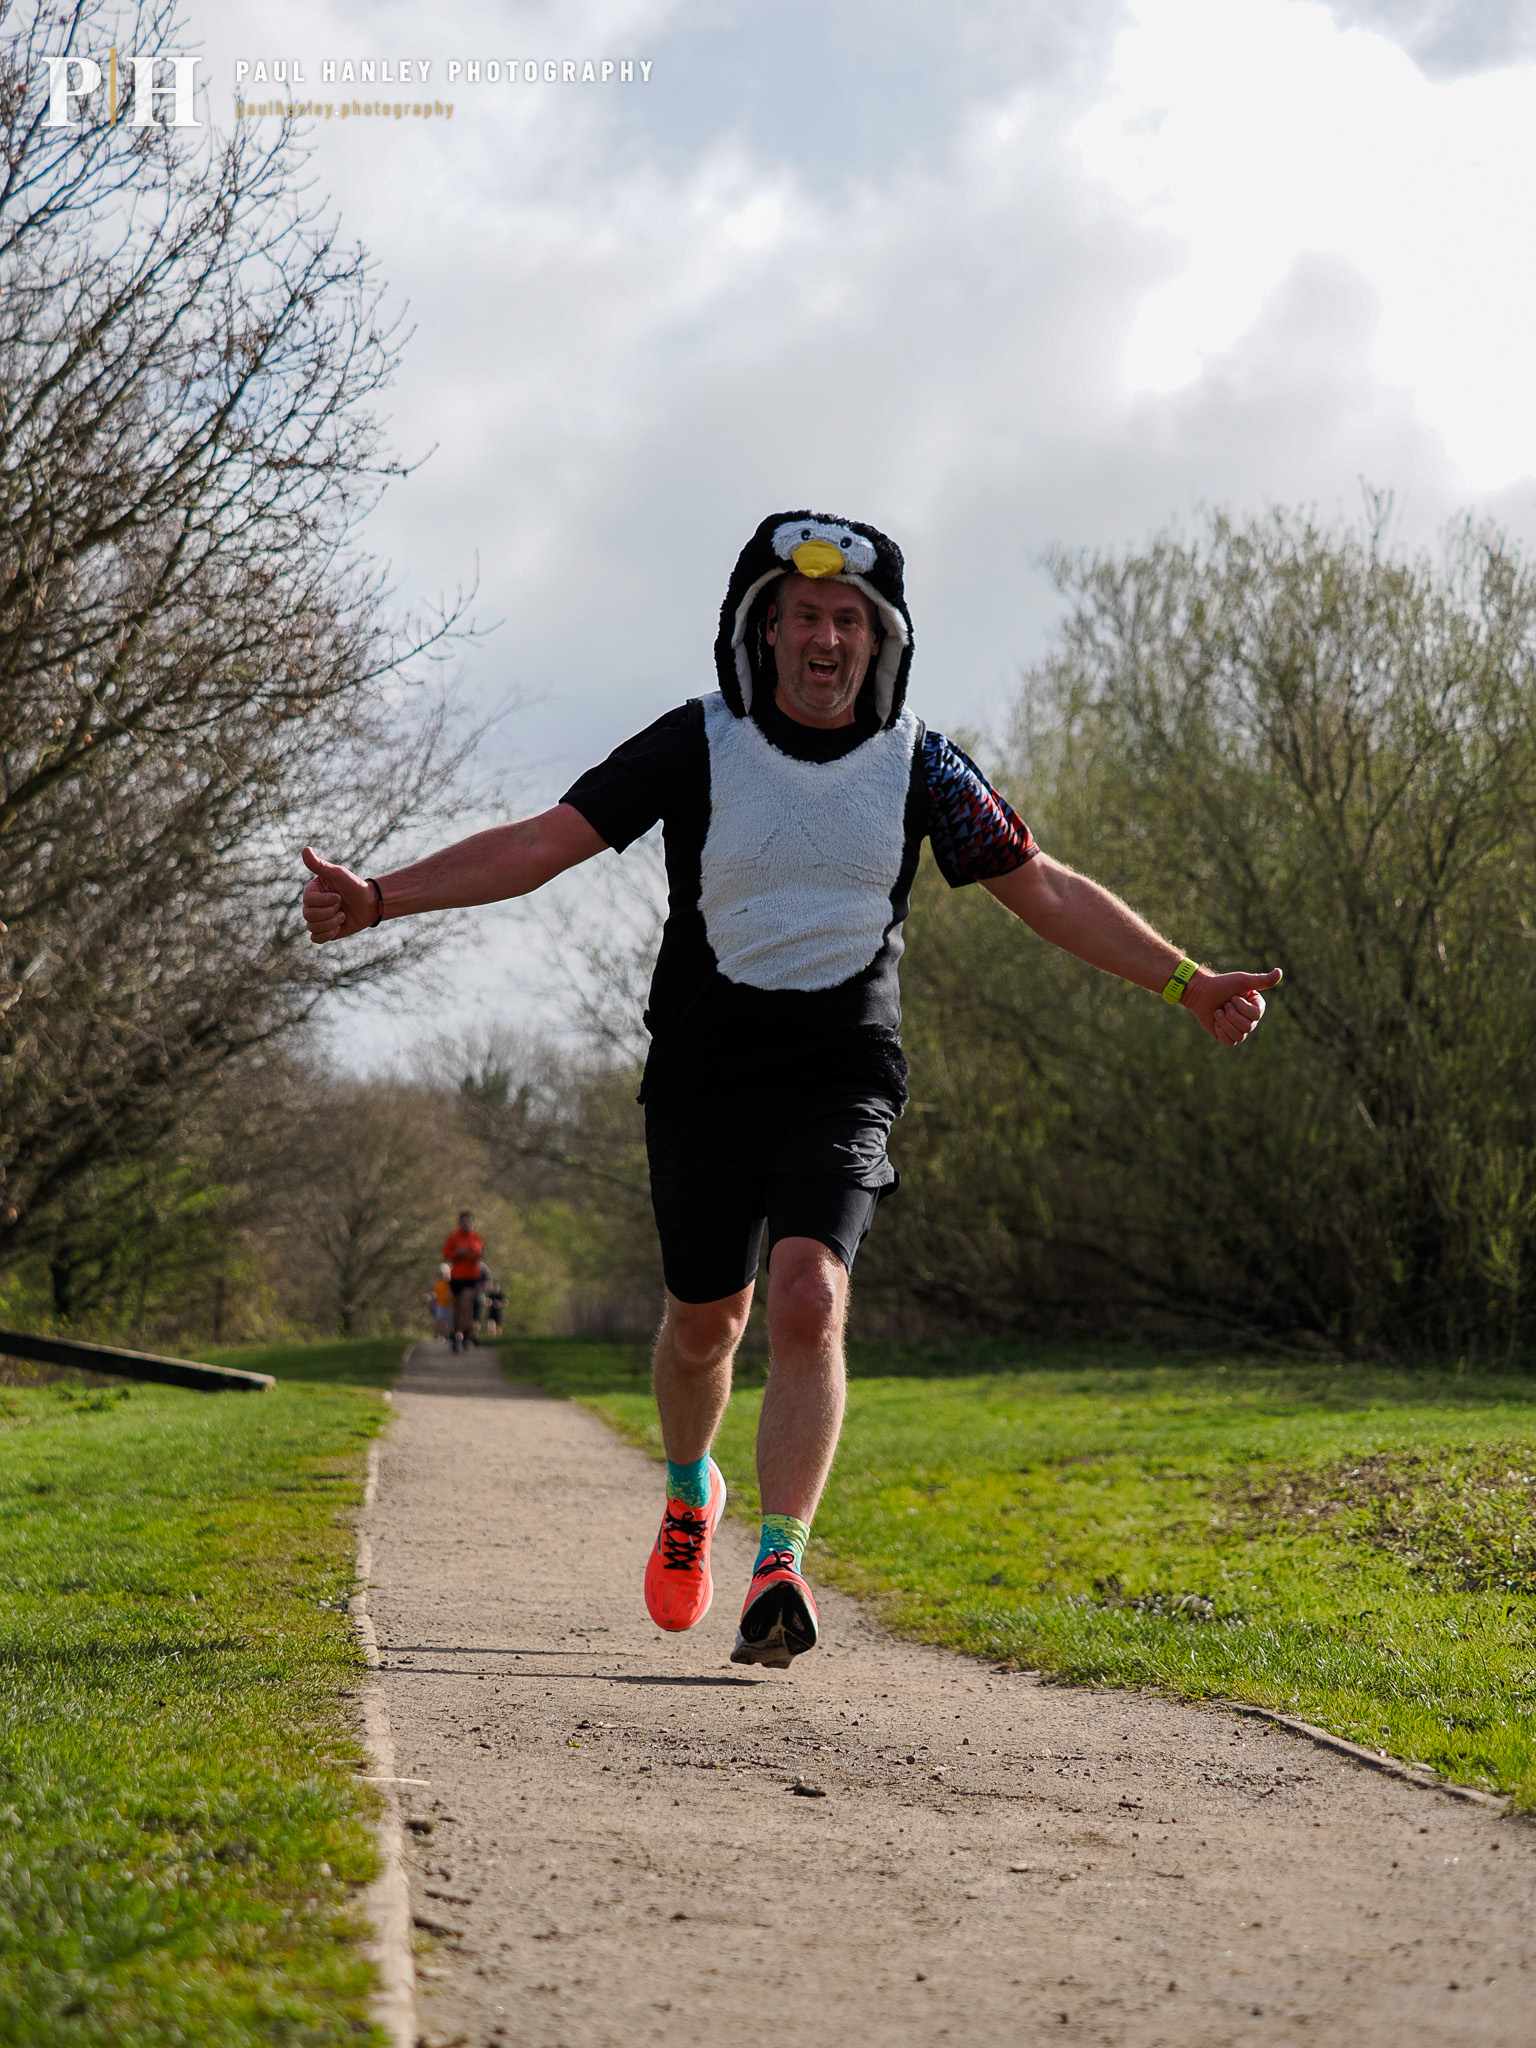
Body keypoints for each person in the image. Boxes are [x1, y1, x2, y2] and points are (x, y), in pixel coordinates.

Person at [301, 510, 1281, 1670]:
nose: (826, 637)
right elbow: (543, 844)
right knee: (704, 1323)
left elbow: (1047, 886)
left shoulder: (922, 762)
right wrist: (380, 898)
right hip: (703, 1076)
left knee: (810, 1294)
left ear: (880, 641)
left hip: (841, 1071)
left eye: (848, 620)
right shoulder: (696, 741)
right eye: (804, 615)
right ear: (765, 633)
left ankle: (781, 1558)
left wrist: (1187, 979)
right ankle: (687, 1493)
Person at [442, 1210, 484, 1354]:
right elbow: (446, 1254)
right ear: (460, 1222)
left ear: (472, 1222)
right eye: (464, 1221)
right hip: (457, 1276)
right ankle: (456, 1335)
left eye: (469, 1221)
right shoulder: (453, 1238)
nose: (466, 1223)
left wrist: (474, 1253)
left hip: (472, 1276)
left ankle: (467, 1335)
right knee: (458, 1308)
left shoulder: (476, 1238)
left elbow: (481, 1254)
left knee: (467, 1305)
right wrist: (457, 1254)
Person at [428, 1263, 454, 1343]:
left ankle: (451, 1336)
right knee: (439, 1322)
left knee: (450, 1323)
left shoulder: (451, 1283)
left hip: (450, 1306)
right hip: (441, 1306)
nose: (443, 1275)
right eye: (441, 1273)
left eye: (444, 1273)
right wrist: (432, 1296)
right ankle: (442, 1336)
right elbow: (435, 1293)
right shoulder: (438, 1284)